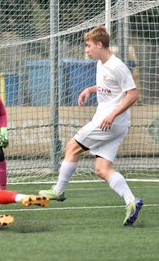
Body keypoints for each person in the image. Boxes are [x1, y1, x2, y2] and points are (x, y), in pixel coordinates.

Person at [38, 26, 143, 226]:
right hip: (114, 124)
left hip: (108, 123)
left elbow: (132, 94)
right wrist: (91, 89)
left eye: (88, 46)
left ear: (99, 44)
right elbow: (111, 88)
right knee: (102, 169)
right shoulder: (100, 63)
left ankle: (58, 191)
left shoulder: (117, 65)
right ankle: (131, 201)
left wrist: (112, 115)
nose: (86, 50)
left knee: (72, 147)